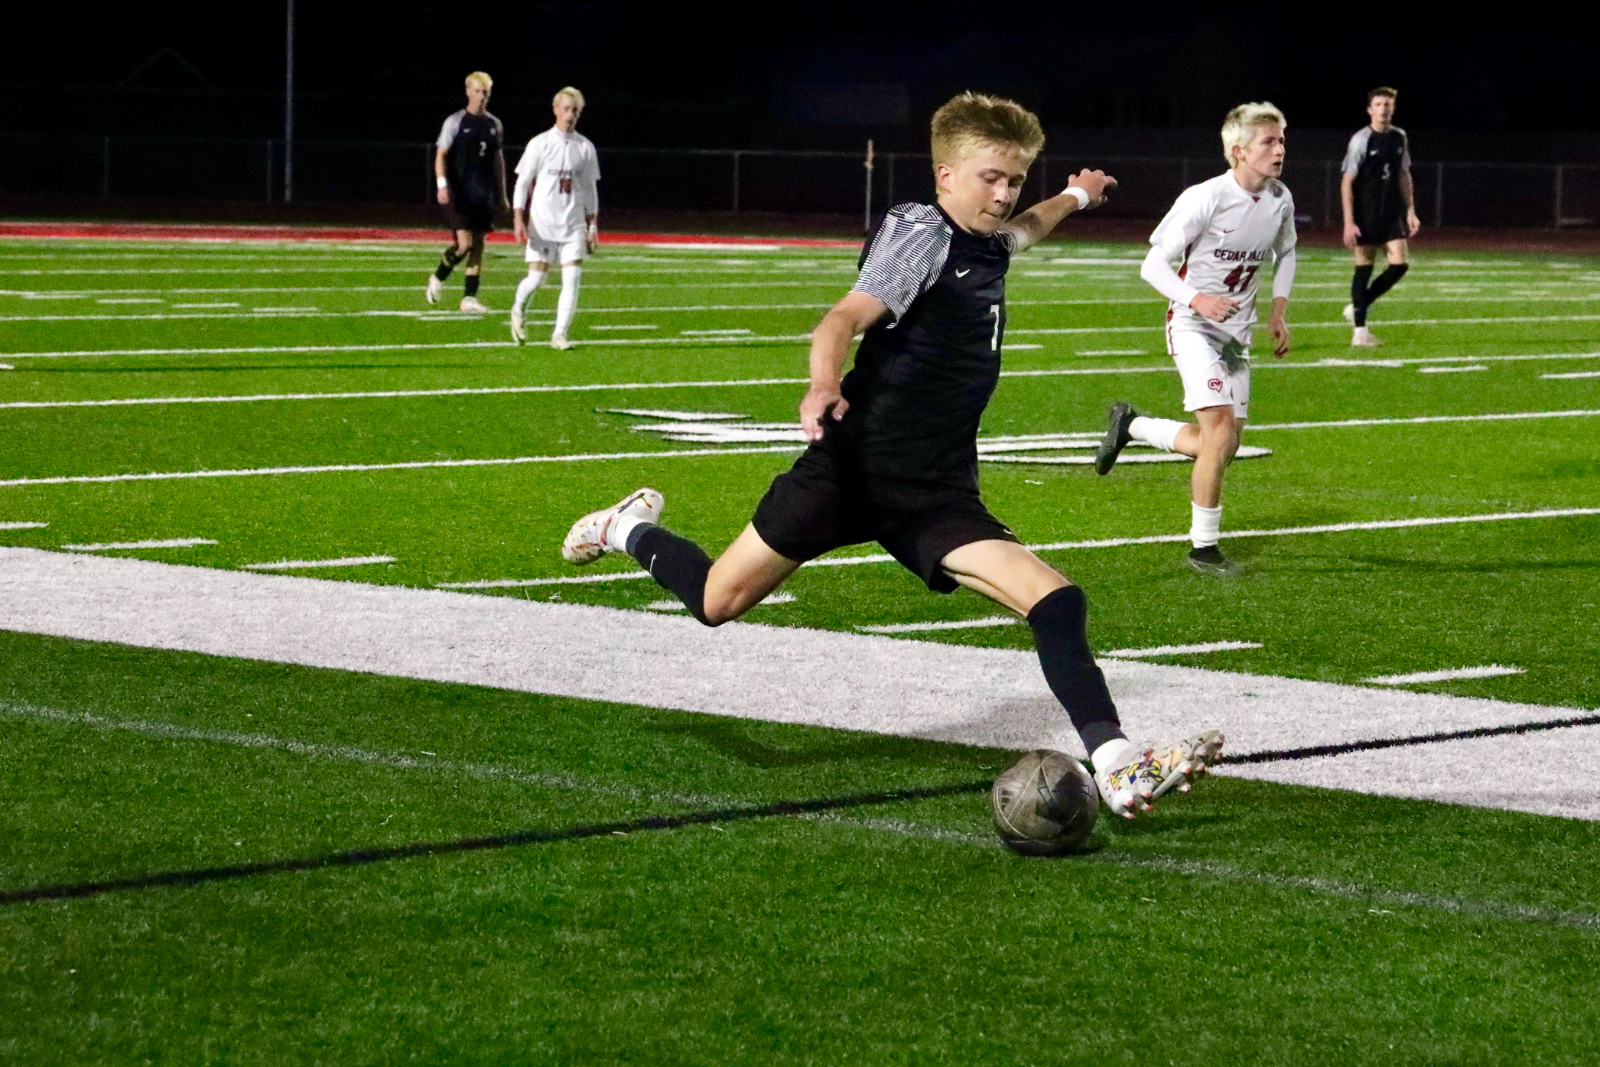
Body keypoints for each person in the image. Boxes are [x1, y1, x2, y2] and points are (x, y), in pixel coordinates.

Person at [557, 92, 1223, 820]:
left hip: (935, 488)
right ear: (945, 176)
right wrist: (820, 385)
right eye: (990, 178)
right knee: (718, 601)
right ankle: (626, 527)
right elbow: (843, 317)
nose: (1004, 196)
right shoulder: (922, 233)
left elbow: (1030, 226)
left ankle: (1118, 763)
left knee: (1057, 600)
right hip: (852, 470)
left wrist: (1076, 194)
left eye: (1014, 179)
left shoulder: (990, 236)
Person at [1097, 102, 1297, 577]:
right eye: (1269, 141)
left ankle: (1134, 427)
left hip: (1237, 333)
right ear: (1238, 150)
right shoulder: (1204, 197)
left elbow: (1286, 252)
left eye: (1282, 140)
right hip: (1193, 325)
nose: (1280, 149)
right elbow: (1152, 265)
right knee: (1221, 432)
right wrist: (1197, 300)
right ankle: (1203, 549)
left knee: (1221, 445)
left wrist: (1278, 310)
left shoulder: (1280, 198)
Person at [510, 87, 601, 349]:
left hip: (573, 223)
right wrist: (519, 217)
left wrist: (592, 224)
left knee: (572, 278)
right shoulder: (539, 144)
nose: (571, 114)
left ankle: (559, 334)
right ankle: (518, 308)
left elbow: (589, 188)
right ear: (556, 110)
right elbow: (523, 182)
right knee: (536, 278)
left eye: (576, 110)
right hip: (543, 222)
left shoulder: (585, 147)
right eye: (567, 108)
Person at [1339, 87, 1420, 346]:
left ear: (1393, 108)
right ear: (1370, 109)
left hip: (1391, 211)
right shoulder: (1361, 139)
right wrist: (1349, 222)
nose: (1384, 108)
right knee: (1364, 268)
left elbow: (1404, 175)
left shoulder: (1399, 137)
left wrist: (1410, 210)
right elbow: (1347, 182)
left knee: (1399, 265)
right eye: (1379, 104)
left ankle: (1358, 306)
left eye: (1388, 104)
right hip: (1366, 212)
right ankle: (1360, 332)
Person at [426, 71, 507, 313]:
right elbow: (441, 154)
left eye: (486, 92)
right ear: (468, 91)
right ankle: (438, 277)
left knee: (479, 245)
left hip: (482, 192)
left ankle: (469, 297)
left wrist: (502, 193)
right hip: (459, 191)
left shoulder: (494, 124)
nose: (483, 96)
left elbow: (498, 160)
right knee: (464, 245)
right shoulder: (455, 121)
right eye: (479, 91)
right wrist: (441, 184)